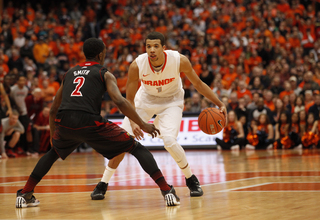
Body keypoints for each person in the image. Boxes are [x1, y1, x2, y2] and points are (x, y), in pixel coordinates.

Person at [16, 38, 180, 208]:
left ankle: (25, 193)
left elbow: (52, 109)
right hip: (88, 121)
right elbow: (120, 101)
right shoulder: (104, 73)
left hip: (64, 121)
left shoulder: (70, 73)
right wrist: (143, 124)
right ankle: (167, 191)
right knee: (136, 148)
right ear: (101, 53)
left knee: (52, 153)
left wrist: (53, 135)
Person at [91, 32, 227, 199]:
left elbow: (198, 84)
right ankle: (103, 184)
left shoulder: (179, 60)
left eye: (156, 46)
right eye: (148, 46)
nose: (152, 50)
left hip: (171, 101)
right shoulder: (137, 65)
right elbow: (130, 98)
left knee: (169, 141)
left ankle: (191, 179)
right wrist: (134, 122)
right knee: (122, 140)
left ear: (164, 48)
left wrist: (219, 103)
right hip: (144, 101)